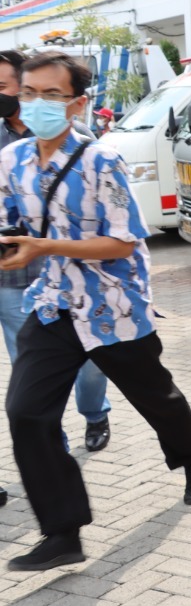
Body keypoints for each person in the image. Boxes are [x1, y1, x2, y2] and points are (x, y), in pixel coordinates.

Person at [2, 51, 191, 572]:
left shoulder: (102, 160)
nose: (36, 104)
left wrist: (42, 248)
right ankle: (62, 532)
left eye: (51, 95)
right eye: (29, 93)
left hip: (112, 307)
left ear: (77, 103)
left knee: (155, 396)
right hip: (53, 306)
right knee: (27, 412)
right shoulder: (13, 161)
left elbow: (123, 242)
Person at [0, 49, 111, 455]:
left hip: (76, 275)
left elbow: (109, 223)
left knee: (91, 363)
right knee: (28, 365)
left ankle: (95, 412)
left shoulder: (82, 141)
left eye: (3, 86)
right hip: (13, 277)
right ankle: (51, 439)